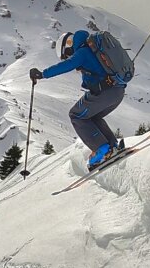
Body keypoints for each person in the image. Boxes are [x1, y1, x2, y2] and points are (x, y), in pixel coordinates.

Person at [29, 30, 125, 170]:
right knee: (92, 117)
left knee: (75, 115)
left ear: (68, 46)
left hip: (104, 92)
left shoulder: (82, 52)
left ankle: (103, 150)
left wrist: (43, 74)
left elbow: (67, 65)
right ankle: (112, 146)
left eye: (67, 55)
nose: (68, 57)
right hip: (118, 91)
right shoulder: (93, 50)